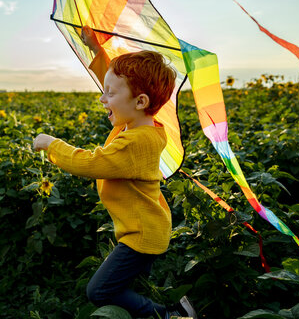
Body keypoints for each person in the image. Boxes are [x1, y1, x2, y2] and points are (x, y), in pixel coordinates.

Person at [32, 26, 197, 319]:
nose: (102, 98)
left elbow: (89, 163)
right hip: (142, 229)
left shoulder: (135, 141)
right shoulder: (137, 123)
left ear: (140, 102)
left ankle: (170, 316)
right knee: (122, 281)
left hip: (141, 237)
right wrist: (97, 51)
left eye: (109, 94)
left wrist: (51, 145)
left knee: (100, 292)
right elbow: (117, 88)